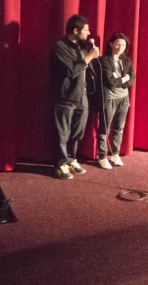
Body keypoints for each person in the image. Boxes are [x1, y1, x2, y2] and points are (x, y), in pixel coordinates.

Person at [50, 15, 99, 180]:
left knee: (77, 132)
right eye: (86, 30)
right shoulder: (60, 47)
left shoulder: (82, 47)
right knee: (62, 134)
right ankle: (61, 164)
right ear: (75, 30)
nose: (89, 32)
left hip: (82, 97)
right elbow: (70, 71)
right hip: (65, 98)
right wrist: (89, 57)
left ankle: (71, 159)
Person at [94, 33, 134, 169]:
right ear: (111, 44)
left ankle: (115, 154)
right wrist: (124, 79)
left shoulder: (127, 61)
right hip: (109, 98)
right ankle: (102, 156)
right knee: (104, 128)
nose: (120, 47)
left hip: (124, 99)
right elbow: (110, 82)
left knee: (119, 128)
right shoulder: (104, 60)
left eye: (123, 45)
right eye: (117, 44)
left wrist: (123, 80)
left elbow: (132, 79)